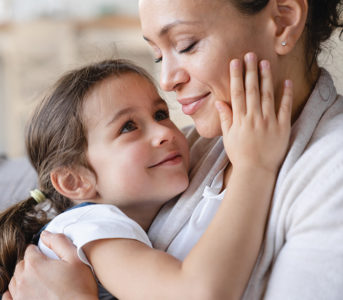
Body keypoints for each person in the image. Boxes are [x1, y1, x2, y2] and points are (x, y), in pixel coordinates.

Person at [3, 0, 343, 298]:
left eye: (186, 44)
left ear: (283, 20)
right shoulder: (194, 146)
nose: (167, 81)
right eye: (156, 54)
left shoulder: (329, 172)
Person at [0, 57, 292, 299]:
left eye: (161, 114)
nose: (164, 132)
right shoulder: (88, 228)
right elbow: (198, 293)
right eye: (128, 127)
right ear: (75, 181)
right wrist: (254, 167)